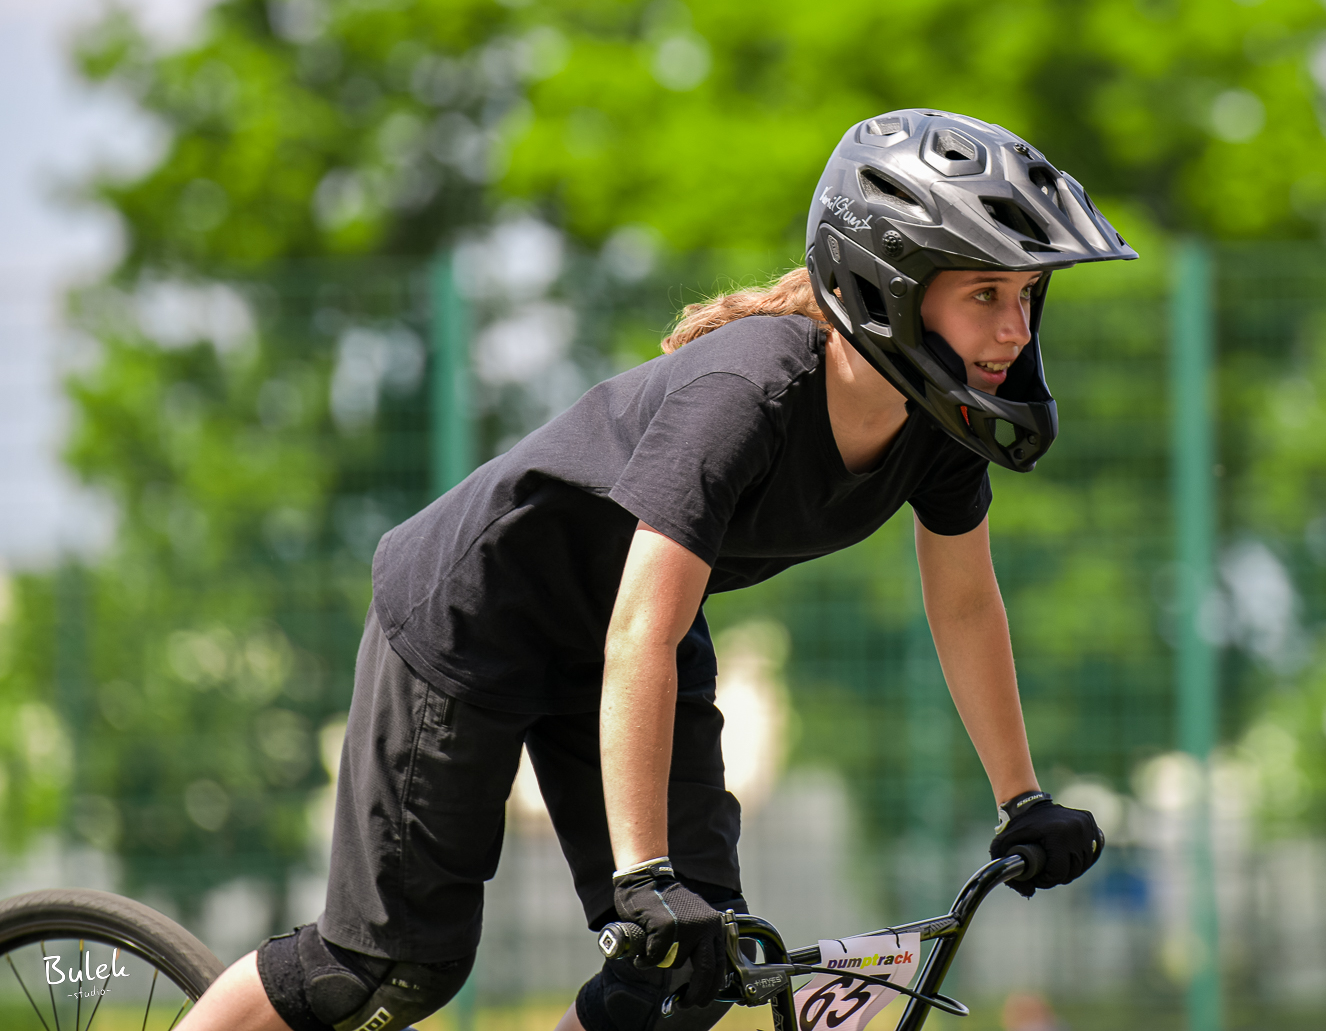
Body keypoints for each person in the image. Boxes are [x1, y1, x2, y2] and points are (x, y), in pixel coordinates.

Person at [175, 108, 1136, 1031]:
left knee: (692, 970)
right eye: (984, 294)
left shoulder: (938, 427)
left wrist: (1022, 799)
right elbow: (643, 626)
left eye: (1026, 296)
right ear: (887, 283)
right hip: (474, 614)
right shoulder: (747, 391)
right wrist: (641, 875)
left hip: (620, 637)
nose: (1015, 328)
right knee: (385, 973)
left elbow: (964, 604)